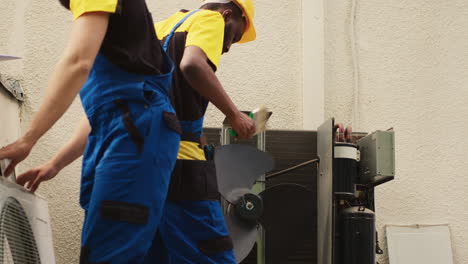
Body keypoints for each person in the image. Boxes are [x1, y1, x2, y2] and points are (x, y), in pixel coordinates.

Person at [0, 0, 253, 263]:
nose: (227, 48)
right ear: (227, 14)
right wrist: (53, 161)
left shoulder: (160, 28)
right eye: (233, 38)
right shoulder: (202, 21)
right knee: (192, 251)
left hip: (139, 145)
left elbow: (91, 75)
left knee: (117, 247)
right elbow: (113, 103)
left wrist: (34, 143)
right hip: (163, 154)